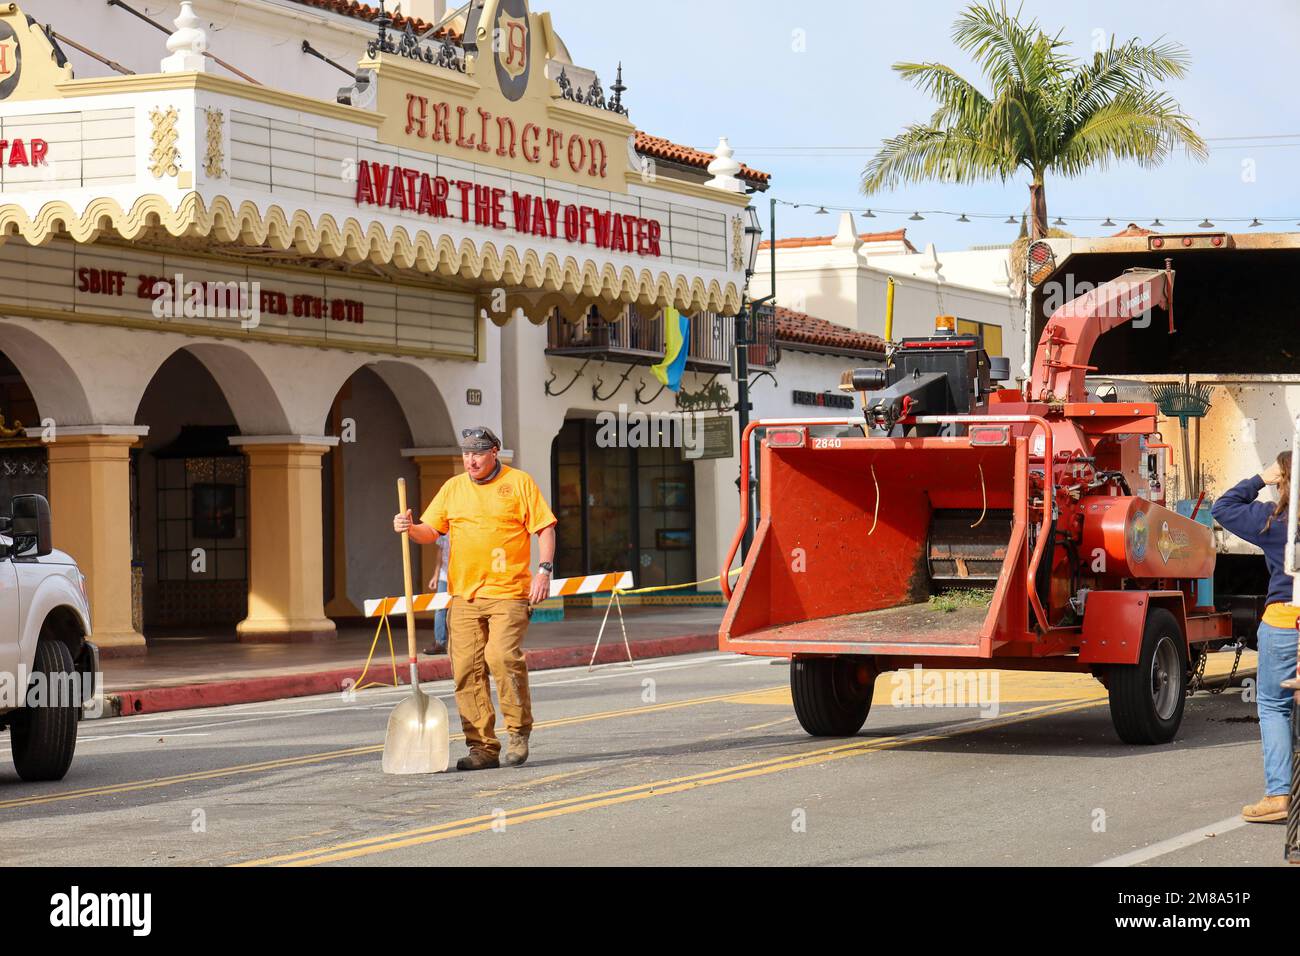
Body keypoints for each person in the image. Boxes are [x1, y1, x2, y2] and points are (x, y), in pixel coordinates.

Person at [393, 426, 556, 771]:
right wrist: (408, 528)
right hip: (464, 596)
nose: (471, 460)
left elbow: (544, 527)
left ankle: (517, 731)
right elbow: (430, 531)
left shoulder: (519, 483)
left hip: (509, 593)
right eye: (467, 454)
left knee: (500, 656)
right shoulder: (453, 488)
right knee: (466, 668)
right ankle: (482, 746)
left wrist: (543, 570)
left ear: (494, 452)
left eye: (478, 453)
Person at [1210, 452, 1299, 823]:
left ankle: (1279, 795)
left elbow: (1223, 506)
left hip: (1283, 623)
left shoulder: (1273, 519)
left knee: (1275, 707)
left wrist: (1262, 479)